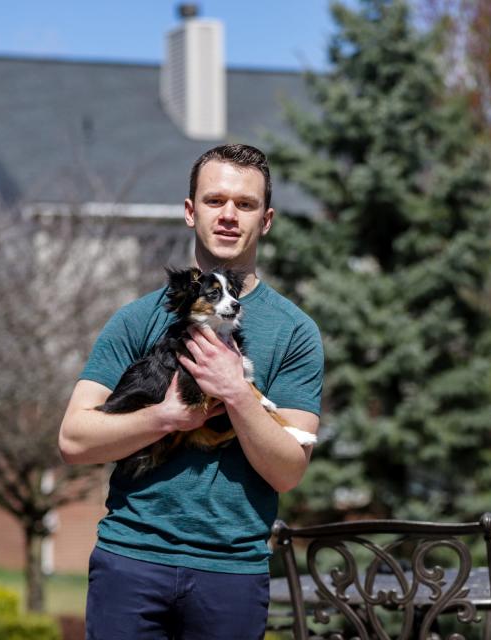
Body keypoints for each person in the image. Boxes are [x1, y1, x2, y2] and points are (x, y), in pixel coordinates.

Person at [58, 143, 323, 640]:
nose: (228, 215)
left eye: (245, 205)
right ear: (189, 211)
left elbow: (288, 470)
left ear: (265, 220)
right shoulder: (137, 319)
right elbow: (74, 439)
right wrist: (168, 417)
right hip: (131, 559)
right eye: (214, 200)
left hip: (232, 570)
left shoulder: (295, 331)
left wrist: (238, 394)